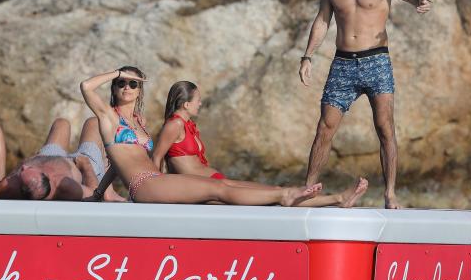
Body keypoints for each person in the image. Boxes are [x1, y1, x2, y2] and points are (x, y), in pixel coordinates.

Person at [81, 66, 353, 207]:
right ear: (114, 87)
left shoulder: (138, 122)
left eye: (133, 83)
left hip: (157, 180)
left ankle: (319, 199)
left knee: (224, 193)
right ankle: (286, 195)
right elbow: (86, 86)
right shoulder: (109, 117)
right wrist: (118, 72)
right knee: (219, 189)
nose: (126, 87)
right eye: (121, 84)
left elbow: (118, 163)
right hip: (144, 186)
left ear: (140, 91)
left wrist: (98, 193)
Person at [299, 0, 431, 209]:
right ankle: (307, 190)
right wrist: (307, 56)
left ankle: (390, 194)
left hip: (376, 61)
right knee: (325, 127)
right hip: (343, 63)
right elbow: (322, 20)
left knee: (385, 127)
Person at [153, 80, 367, 205]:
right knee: (278, 196)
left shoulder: (187, 125)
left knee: (276, 191)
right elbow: (157, 158)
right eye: (197, 99)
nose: (200, 102)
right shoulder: (174, 125)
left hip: (215, 182)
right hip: (204, 188)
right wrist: (155, 192)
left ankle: (339, 198)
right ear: (186, 103)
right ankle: (338, 199)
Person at [0, 117, 123, 201]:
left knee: (61, 123)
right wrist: (86, 166)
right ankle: (109, 191)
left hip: (48, 157)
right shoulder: (66, 187)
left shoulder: (10, 185)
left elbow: (1, 189)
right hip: (80, 167)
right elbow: (94, 195)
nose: (24, 167)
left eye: (24, 169)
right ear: (49, 178)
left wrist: (32, 162)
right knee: (95, 122)